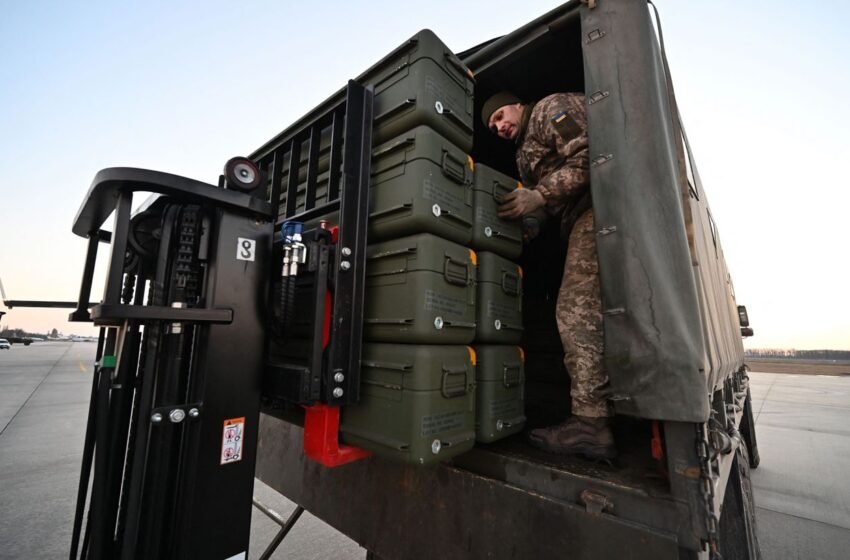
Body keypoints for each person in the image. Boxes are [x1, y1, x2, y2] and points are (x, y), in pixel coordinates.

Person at [482, 91, 615, 460]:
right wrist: (527, 226)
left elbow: (593, 156)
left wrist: (538, 195)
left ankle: (591, 424)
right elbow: (544, 206)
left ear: (517, 105)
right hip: (576, 217)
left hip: (601, 205)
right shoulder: (523, 157)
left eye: (501, 115)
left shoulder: (548, 110)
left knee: (575, 310)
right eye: (493, 125)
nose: (499, 126)